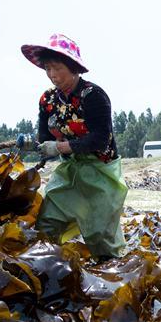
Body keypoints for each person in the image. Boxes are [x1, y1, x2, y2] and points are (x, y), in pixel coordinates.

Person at [17, 33, 127, 259]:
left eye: (58, 68)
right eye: (48, 68)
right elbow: (45, 136)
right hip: (70, 173)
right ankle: (48, 265)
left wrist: (60, 148)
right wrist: (33, 144)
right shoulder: (48, 100)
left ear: (73, 66)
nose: (52, 75)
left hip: (101, 172)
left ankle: (111, 272)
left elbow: (100, 139)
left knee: (100, 232)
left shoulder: (93, 95)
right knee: (48, 221)